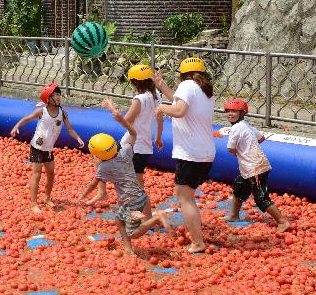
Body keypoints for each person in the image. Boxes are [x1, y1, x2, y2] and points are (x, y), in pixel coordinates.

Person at [83, 98, 173, 255]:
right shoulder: (125, 151)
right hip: (140, 195)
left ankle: (156, 218)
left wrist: (82, 196)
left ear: (98, 155)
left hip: (130, 201)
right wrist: (120, 119)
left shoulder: (105, 166)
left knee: (134, 232)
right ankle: (128, 248)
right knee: (119, 220)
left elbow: (93, 184)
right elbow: (133, 132)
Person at [80, 64, 163, 211]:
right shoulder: (156, 95)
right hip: (144, 146)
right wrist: (158, 137)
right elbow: (160, 118)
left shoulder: (139, 99)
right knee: (135, 181)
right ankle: (105, 193)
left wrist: (111, 108)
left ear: (135, 82)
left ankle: (140, 212)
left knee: (102, 158)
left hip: (132, 144)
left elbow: (127, 121)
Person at [154, 57, 215, 254]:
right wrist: (162, 86)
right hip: (204, 152)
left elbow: (179, 110)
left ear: (183, 74)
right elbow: (180, 101)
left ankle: (198, 242)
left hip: (191, 153)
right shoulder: (204, 91)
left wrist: (160, 107)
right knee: (184, 194)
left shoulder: (187, 85)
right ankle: (194, 232)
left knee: (184, 198)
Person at [10, 83, 84, 212]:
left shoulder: (63, 113)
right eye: (55, 94)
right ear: (48, 98)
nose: (58, 97)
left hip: (48, 149)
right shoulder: (42, 111)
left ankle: (47, 198)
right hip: (37, 147)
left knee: (51, 174)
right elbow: (27, 119)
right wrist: (16, 127)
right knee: (37, 175)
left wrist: (78, 138)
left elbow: (69, 129)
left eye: (59, 94)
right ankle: (34, 203)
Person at [222, 98, 290, 232]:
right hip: (251, 166)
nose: (230, 114)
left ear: (242, 113)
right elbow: (261, 138)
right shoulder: (247, 125)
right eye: (228, 111)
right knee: (239, 188)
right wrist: (249, 148)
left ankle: (282, 222)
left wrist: (241, 153)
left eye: (234, 112)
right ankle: (234, 215)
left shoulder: (235, 128)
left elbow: (230, 149)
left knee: (261, 197)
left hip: (256, 168)